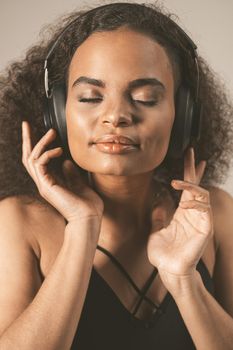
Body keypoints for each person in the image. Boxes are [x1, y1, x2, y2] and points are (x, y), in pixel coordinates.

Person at [0, 2, 233, 349]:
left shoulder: (216, 212)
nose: (117, 116)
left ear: (182, 117)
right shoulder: (20, 220)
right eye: (91, 97)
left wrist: (184, 280)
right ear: (58, 114)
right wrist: (82, 227)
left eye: (145, 98)